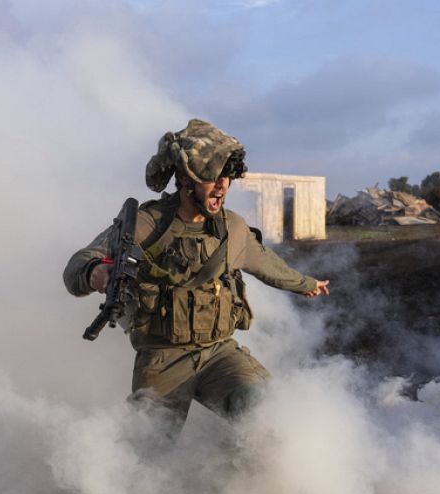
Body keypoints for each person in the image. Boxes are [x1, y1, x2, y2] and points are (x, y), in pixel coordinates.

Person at [63, 119, 329, 431]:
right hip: (163, 359)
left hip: (219, 352)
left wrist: (307, 284)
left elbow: (267, 263)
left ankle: (242, 477)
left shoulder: (232, 228)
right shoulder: (148, 225)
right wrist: (96, 271)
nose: (222, 186)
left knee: (267, 413)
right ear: (186, 179)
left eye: (226, 178)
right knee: (146, 454)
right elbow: (78, 265)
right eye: (212, 178)